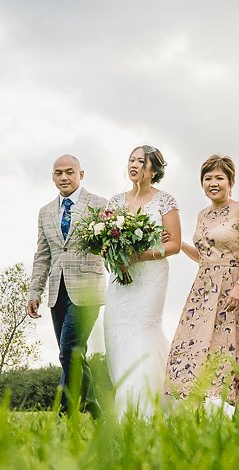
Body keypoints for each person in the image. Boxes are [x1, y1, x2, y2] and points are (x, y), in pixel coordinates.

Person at [166, 154, 239, 407]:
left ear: (231, 182)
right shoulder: (202, 215)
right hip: (204, 289)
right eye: (207, 178)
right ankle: (201, 403)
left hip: (233, 285)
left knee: (230, 344)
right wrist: (178, 245)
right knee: (196, 343)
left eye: (219, 177)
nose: (213, 183)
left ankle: (234, 403)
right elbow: (203, 256)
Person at [103, 145, 181, 416]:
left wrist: (140, 256)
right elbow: (106, 242)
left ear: (154, 170)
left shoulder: (165, 201)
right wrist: (113, 256)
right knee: (117, 335)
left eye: (141, 161)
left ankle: (139, 409)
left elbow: (174, 244)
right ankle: (136, 395)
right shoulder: (114, 202)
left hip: (151, 279)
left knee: (142, 334)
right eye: (131, 160)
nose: (134, 164)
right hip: (120, 279)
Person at [27, 153, 108, 413]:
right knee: (74, 354)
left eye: (69, 172)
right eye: (58, 173)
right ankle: (94, 405)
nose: (64, 177)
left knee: (69, 351)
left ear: (80, 174)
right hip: (56, 291)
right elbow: (43, 255)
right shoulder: (45, 212)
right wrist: (34, 292)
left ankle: (66, 412)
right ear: (53, 177)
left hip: (87, 289)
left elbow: (111, 245)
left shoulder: (99, 205)